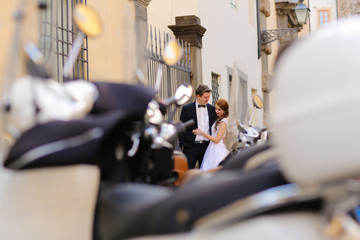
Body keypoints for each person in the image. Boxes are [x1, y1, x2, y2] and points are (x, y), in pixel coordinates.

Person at [179, 84, 217, 169]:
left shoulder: (212, 109)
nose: (207, 99)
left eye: (208, 97)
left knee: (205, 172)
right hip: (190, 146)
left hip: (207, 146)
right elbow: (181, 127)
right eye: (205, 97)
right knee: (188, 172)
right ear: (198, 96)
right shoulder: (187, 108)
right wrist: (182, 144)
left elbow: (217, 125)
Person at [193, 98, 229, 171]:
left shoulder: (223, 122)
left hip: (217, 150)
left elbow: (216, 140)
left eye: (219, 110)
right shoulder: (219, 119)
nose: (216, 111)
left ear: (224, 110)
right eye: (216, 109)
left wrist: (202, 133)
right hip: (211, 148)